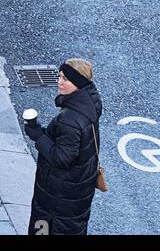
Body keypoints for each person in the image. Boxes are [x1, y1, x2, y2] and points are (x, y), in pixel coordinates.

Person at [24, 58, 104, 236]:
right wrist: (45, 134)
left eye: (66, 79)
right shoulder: (89, 103)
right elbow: (70, 144)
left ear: (78, 83)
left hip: (57, 196)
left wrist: (37, 135)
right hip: (76, 191)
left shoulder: (70, 119)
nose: (59, 82)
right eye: (59, 76)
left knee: (42, 229)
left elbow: (63, 158)